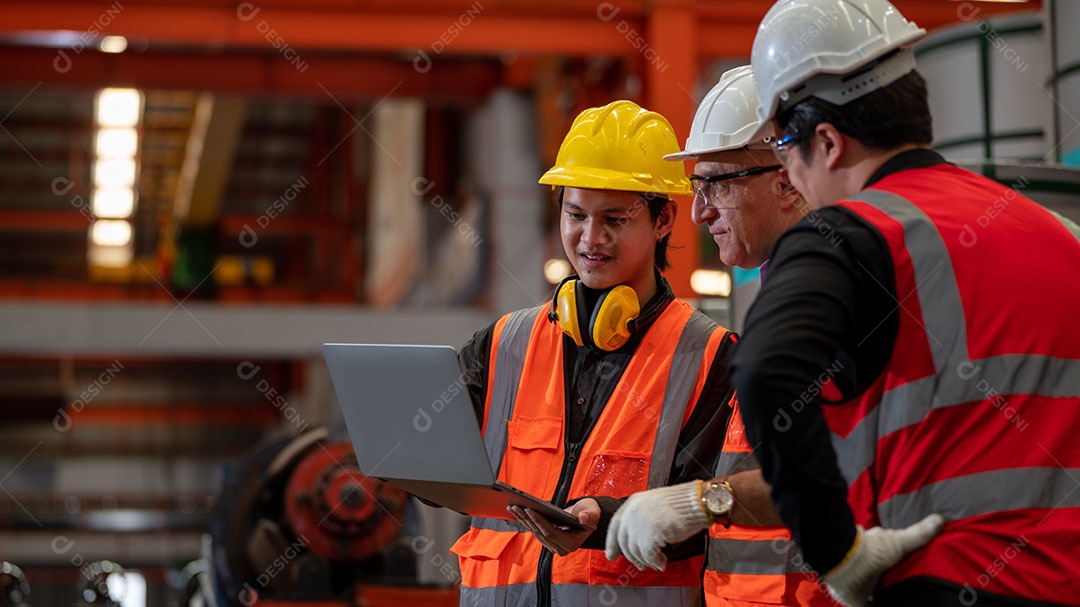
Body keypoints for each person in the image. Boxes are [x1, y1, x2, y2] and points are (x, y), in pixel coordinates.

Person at [614, 0, 1080, 605]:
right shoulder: (1057, 230)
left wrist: (840, 553)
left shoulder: (853, 233)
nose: (792, 177)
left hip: (944, 575)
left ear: (828, 143)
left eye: (787, 150)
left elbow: (769, 374)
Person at [449, 99, 739, 607]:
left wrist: (605, 520)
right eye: (575, 215)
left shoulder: (709, 356)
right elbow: (440, 469)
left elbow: (712, 513)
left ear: (664, 218)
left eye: (614, 219)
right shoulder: (503, 345)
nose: (590, 239)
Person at [603, 66, 840, 607]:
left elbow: (842, 472)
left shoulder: (834, 299)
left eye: (717, 183)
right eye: (695, 185)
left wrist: (700, 502)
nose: (700, 209)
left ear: (785, 179)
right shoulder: (780, 297)